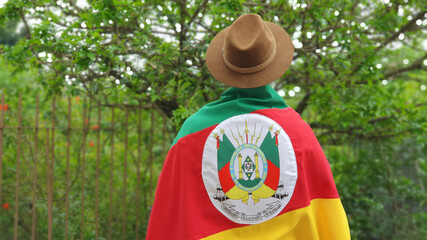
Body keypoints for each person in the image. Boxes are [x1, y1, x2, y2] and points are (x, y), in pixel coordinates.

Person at [146, 13, 350, 240]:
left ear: (226, 68)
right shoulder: (298, 132)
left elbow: (170, 215)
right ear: (272, 65)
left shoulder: (191, 132)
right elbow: (324, 209)